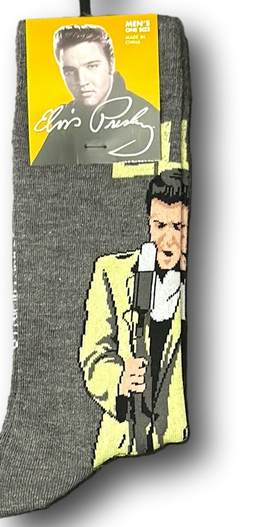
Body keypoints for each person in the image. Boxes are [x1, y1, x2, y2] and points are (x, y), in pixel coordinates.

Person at [79, 169, 190, 468]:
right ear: (148, 222)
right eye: (159, 225)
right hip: (121, 448)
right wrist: (119, 378)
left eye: (179, 226)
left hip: (180, 453)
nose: (168, 239)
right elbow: (93, 355)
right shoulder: (110, 273)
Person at [32, 24, 160, 165]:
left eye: (92, 66)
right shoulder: (66, 117)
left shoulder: (148, 119)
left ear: (111, 64)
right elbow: (35, 174)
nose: (82, 81)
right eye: (69, 71)